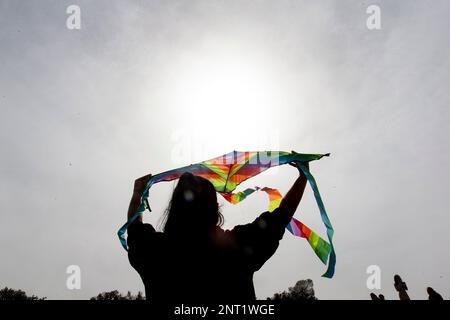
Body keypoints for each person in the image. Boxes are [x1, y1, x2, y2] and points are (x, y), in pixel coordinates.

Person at [126, 160, 309, 301]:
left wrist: (137, 195)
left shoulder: (154, 251)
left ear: (174, 209)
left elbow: (134, 228)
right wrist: (303, 177)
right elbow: (281, 216)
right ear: (215, 210)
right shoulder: (236, 247)